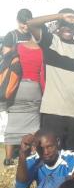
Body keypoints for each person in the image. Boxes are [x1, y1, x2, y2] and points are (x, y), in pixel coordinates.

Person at [26, 9, 74, 153]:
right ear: (59, 25)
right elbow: (31, 23)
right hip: (53, 112)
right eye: (64, 24)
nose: (69, 28)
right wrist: (60, 16)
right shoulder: (51, 42)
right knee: (51, 156)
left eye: (72, 25)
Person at [2, 9, 44, 167]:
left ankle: (8, 158)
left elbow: (7, 61)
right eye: (23, 23)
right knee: (33, 123)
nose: (25, 26)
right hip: (34, 87)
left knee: (13, 120)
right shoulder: (40, 47)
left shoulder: (15, 43)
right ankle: (31, 155)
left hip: (17, 86)